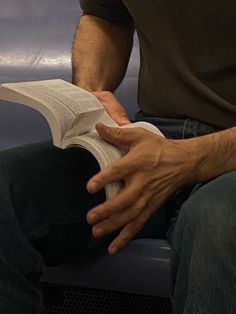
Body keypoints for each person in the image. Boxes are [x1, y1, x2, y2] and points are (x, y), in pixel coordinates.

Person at [0, 1, 236, 313]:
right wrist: (89, 93)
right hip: (154, 136)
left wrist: (190, 158)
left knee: (215, 221)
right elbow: (105, 17)